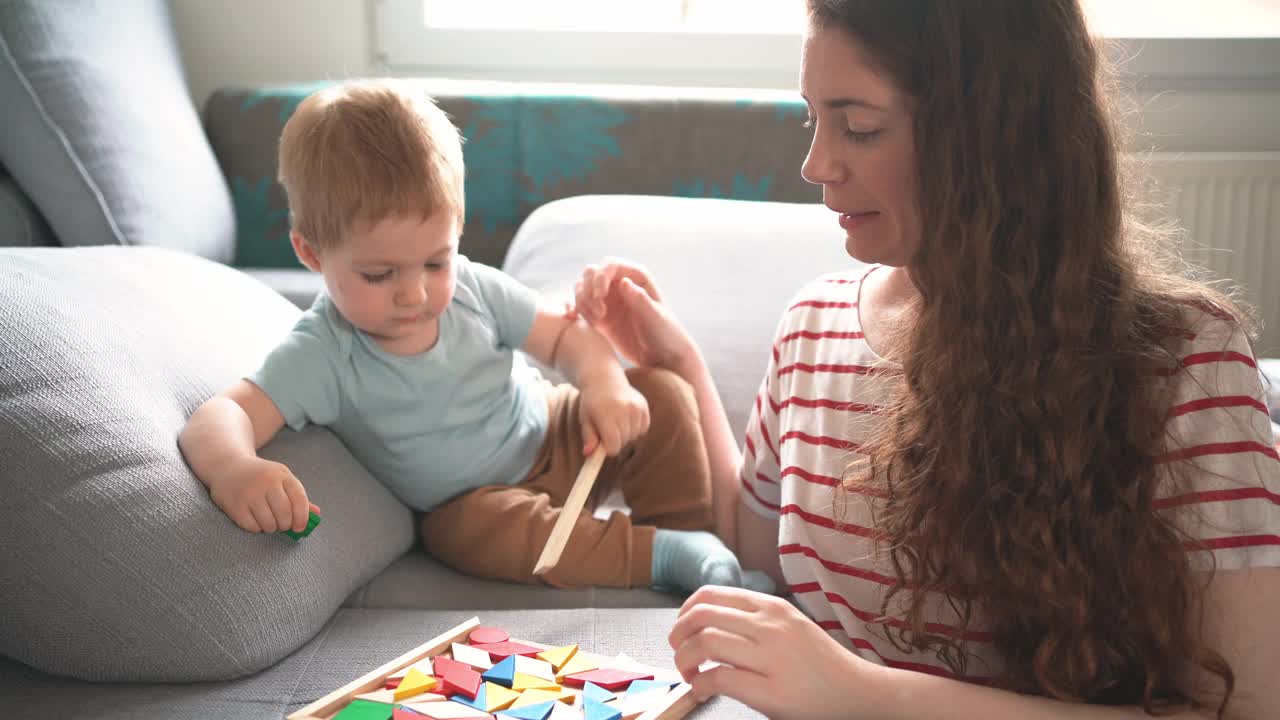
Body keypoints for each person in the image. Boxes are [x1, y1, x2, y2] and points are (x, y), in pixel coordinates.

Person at [573, 1, 1278, 717]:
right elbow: (750, 546)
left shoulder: (1184, 365)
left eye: (860, 127)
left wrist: (860, 694)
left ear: (992, 136)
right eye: (811, 118)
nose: (815, 163)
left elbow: (1248, 708)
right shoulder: (811, 326)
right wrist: (681, 365)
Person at [177, 79, 773, 595]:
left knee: (662, 394)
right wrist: (234, 468)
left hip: (559, 433)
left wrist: (602, 382)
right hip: (473, 500)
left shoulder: (473, 290)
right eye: (380, 275)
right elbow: (221, 415)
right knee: (483, 537)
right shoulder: (323, 352)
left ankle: (700, 554)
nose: (414, 294)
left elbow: (567, 339)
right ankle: (656, 555)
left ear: (457, 228)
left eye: (435, 262)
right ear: (310, 252)